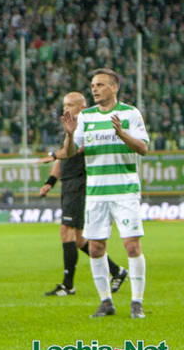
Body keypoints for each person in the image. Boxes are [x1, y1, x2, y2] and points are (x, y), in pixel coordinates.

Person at [60, 69, 149, 318]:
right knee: (97, 247)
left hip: (125, 191)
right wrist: (68, 135)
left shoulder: (130, 113)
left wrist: (122, 134)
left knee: (132, 246)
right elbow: (69, 153)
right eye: (92, 85)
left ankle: (136, 302)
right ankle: (106, 302)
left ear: (114, 87)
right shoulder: (85, 117)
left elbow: (143, 148)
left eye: (100, 84)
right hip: (97, 193)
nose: (95, 89)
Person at [40, 92, 127, 297]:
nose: (66, 108)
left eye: (70, 104)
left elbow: (74, 151)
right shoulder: (70, 128)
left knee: (66, 231)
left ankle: (68, 285)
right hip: (68, 184)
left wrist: (56, 152)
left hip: (80, 184)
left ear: (82, 107)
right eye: (64, 104)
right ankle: (117, 271)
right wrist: (50, 182)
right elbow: (63, 157)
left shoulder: (89, 125)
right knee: (79, 240)